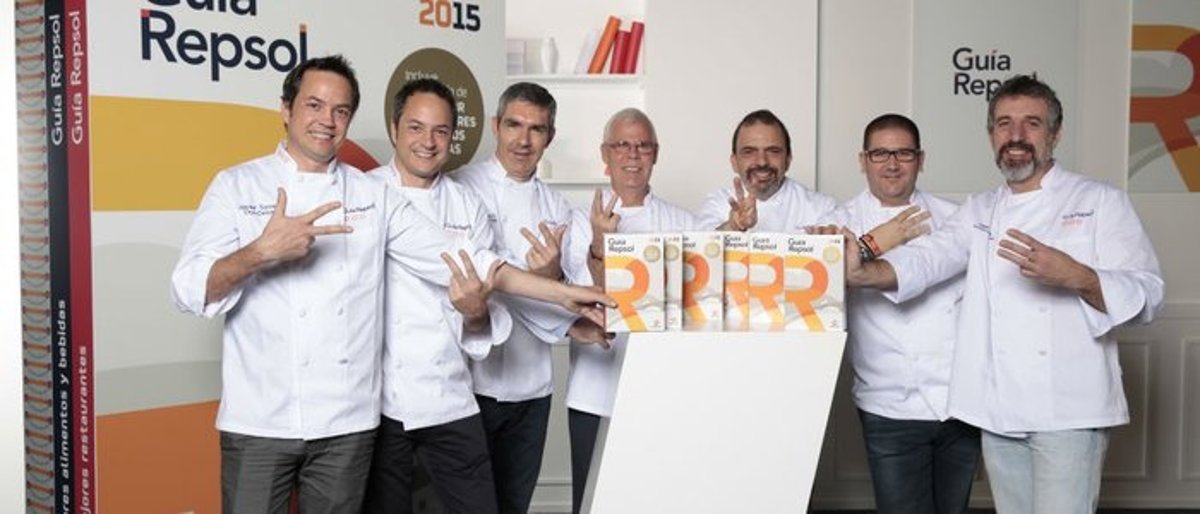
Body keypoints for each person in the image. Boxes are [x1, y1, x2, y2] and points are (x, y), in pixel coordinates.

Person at [170, 57, 611, 513]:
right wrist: (259, 252)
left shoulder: (370, 196)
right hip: (260, 417)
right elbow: (186, 289)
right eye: (314, 105)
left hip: (346, 422)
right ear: (286, 109)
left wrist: (563, 293)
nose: (327, 120)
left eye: (341, 111)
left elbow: (472, 261)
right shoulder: (237, 185)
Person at [841, 75, 1164, 513]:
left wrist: (1078, 276)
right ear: (991, 134)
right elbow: (929, 257)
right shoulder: (981, 208)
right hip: (999, 412)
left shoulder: (1100, 200)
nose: (1016, 136)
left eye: (1032, 123)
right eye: (1004, 124)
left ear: (1055, 134)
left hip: (1068, 411)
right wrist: (864, 272)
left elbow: (1149, 294)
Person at [360, 78, 513, 514]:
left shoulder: (467, 205)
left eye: (440, 131)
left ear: (452, 137)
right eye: (415, 127)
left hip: (449, 393)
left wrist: (477, 314)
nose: (428, 142)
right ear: (394, 128)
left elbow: (489, 298)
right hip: (378, 402)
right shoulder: (363, 194)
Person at [454, 82, 599, 514]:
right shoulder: (460, 188)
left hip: (533, 388)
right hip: (470, 384)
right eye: (514, 125)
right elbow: (485, 277)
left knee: (515, 504)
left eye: (537, 129)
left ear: (550, 137)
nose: (524, 140)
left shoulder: (557, 207)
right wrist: (560, 306)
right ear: (496, 126)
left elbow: (569, 287)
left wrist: (553, 278)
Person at [828, 114, 979, 514]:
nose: (892, 164)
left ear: (921, 159)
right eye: (880, 153)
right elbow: (812, 285)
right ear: (863, 160)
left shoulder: (955, 218)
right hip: (888, 403)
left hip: (958, 400)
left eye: (904, 153)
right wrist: (875, 243)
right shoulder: (840, 223)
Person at [566, 108, 697, 514]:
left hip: (663, 391)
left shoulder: (685, 222)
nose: (633, 155)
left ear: (656, 153)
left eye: (643, 146)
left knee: (657, 501)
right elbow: (588, 300)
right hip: (594, 391)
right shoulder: (577, 223)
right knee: (591, 502)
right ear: (605, 154)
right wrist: (600, 243)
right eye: (622, 145)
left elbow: (700, 303)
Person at [696, 109, 839, 232]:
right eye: (749, 152)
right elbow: (702, 247)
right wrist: (732, 227)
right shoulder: (717, 204)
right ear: (734, 162)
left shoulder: (821, 208)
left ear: (788, 160)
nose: (762, 161)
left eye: (773, 151)